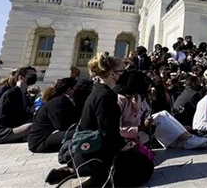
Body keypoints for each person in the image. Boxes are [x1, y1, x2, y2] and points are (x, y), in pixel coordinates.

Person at [45, 53, 153, 187]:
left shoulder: (100, 92)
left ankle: (74, 171)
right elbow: (108, 134)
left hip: (88, 150)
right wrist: (126, 147)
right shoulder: (106, 97)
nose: (125, 73)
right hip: (94, 154)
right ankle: (91, 181)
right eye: (123, 70)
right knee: (145, 168)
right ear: (113, 74)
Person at [28, 78, 78, 153]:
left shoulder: (64, 100)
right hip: (40, 142)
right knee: (78, 134)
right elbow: (60, 125)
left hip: (48, 137)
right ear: (69, 90)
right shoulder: (58, 102)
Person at [0, 66, 37, 144]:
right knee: (30, 127)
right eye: (31, 75)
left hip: (15, 126)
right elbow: (1, 117)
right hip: (2, 130)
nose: (34, 78)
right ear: (21, 77)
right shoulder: (10, 94)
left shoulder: (25, 94)